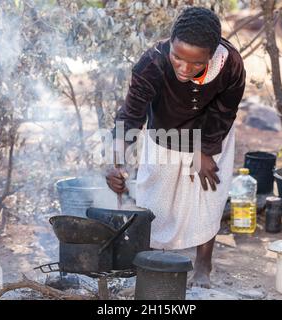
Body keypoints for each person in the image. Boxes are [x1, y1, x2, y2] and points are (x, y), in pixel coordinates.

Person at [106, 6, 246, 288]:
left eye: (196, 63)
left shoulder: (229, 64)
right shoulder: (151, 64)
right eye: (178, 57)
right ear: (170, 42)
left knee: (208, 194)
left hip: (211, 133)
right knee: (155, 196)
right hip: (165, 135)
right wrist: (116, 161)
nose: (184, 68)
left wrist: (205, 151)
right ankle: (152, 258)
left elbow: (224, 111)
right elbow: (130, 116)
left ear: (212, 53)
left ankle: (203, 264)